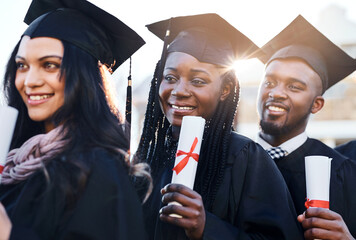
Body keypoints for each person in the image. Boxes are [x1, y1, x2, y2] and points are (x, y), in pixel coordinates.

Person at [135, 13, 303, 240]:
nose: (179, 90)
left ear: (225, 90)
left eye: (198, 81)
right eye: (171, 77)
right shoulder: (148, 156)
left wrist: (208, 227)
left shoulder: (245, 158)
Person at [0, 0, 151, 239]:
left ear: (84, 76)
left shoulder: (99, 170)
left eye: (49, 65)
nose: (29, 81)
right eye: (22, 65)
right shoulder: (15, 162)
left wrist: (9, 234)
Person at [255, 15, 356, 239]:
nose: (276, 93)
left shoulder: (343, 173)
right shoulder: (225, 158)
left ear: (317, 104)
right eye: (269, 82)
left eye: (294, 86)